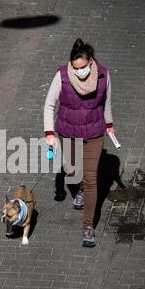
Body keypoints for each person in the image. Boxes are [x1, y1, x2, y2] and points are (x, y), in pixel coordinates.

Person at [44, 38, 115, 248]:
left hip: (94, 133)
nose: (79, 72)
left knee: (91, 178)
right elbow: (49, 104)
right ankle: (80, 188)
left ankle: (88, 226)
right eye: (76, 68)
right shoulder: (62, 76)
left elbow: (107, 101)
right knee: (72, 169)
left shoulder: (103, 74)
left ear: (90, 61)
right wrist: (49, 133)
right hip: (68, 132)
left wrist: (109, 123)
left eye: (83, 67)